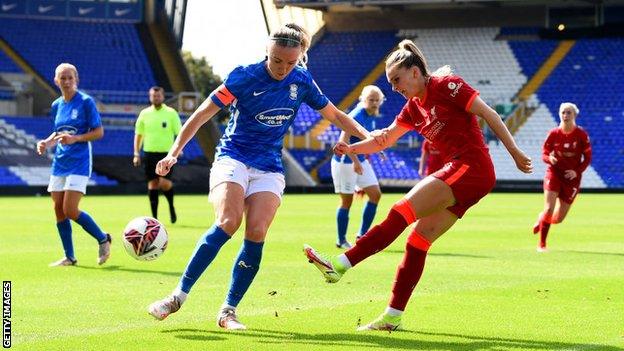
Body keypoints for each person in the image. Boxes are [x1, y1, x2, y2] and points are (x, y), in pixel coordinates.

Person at [146, 23, 374, 330]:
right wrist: (174, 152)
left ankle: (228, 311)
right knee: (228, 222)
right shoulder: (243, 76)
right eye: (277, 60)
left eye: (291, 62)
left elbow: (334, 114)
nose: (283, 68)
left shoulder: (302, 80)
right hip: (233, 157)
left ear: (300, 58)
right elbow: (202, 114)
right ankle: (176, 298)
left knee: (256, 231)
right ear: (267, 52)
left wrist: (368, 135)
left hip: (268, 166)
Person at [304, 39, 532, 331]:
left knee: (401, 211)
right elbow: (384, 139)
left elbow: (488, 113)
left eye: (396, 80)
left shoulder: (446, 85)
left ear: (414, 72)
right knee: (417, 242)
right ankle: (393, 317)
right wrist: (352, 149)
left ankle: (339, 266)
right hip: (466, 173)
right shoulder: (413, 109)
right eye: (389, 83)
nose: (394, 87)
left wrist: (513, 152)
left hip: (471, 167)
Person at [36, 63, 112, 267]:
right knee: (58, 209)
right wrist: (46, 142)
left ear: (76, 79)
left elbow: (98, 132)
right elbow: (57, 132)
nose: (67, 82)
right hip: (60, 162)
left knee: (70, 209)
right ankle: (69, 256)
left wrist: (76, 138)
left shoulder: (86, 102)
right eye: (63, 78)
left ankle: (103, 238)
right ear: (56, 80)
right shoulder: (56, 105)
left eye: (70, 78)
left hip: (79, 162)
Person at [532, 102, 591, 252]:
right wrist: (549, 159)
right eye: (563, 112)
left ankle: (541, 219)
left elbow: (588, 158)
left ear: (574, 115)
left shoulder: (581, 135)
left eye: (568, 112)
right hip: (554, 174)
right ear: (560, 114)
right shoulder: (553, 134)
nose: (565, 115)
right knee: (549, 209)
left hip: (572, 179)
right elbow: (544, 153)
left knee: (558, 219)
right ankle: (542, 244)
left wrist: (576, 171)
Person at [331, 85, 384, 249]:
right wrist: (355, 162)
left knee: (375, 195)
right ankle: (341, 239)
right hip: (345, 162)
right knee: (346, 202)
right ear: (363, 99)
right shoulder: (356, 115)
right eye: (371, 100)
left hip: (360, 160)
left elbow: (365, 140)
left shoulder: (371, 114)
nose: (374, 103)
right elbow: (343, 141)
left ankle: (362, 236)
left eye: (377, 100)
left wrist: (378, 150)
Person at [133, 86, 182, 223]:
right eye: (153, 96)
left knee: (164, 183)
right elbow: (138, 134)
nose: (156, 98)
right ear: (150, 97)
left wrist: (178, 150)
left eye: (158, 96)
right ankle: (155, 218)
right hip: (149, 153)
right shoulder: (144, 114)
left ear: (163, 96)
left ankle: (171, 207)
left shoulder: (171, 113)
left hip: (167, 154)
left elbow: (179, 133)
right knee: (152, 183)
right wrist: (136, 153)